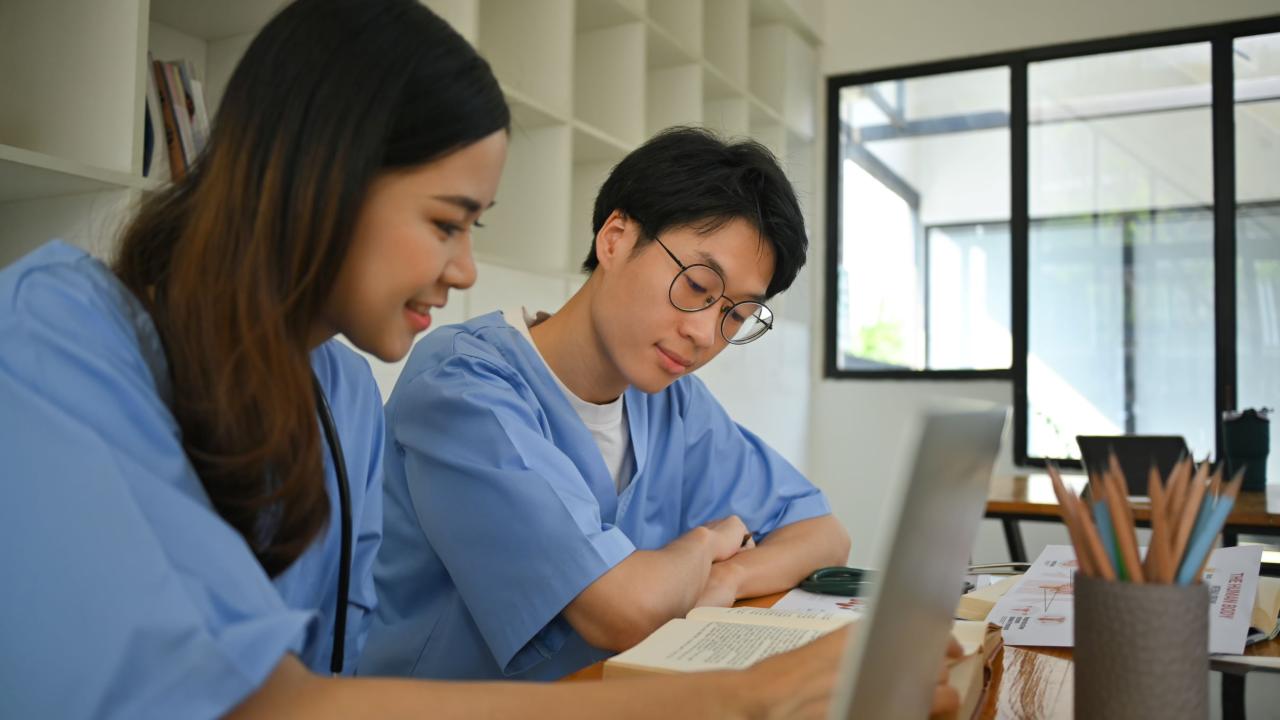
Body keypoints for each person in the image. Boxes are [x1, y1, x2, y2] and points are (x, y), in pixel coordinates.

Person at [0, 1, 961, 717]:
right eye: (445, 223)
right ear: (319, 173)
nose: (463, 269)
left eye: (737, 312)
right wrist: (743, 691)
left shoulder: (334, 383)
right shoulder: (62, 333)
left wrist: (711, 586)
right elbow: (271, 702)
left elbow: (336, 663)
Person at [363, 127, 852, 682]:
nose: (703, 334)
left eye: (736, 315)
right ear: (615, 238)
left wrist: (728, 580)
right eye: (696, 285)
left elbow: (822, 534)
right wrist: (708, 542)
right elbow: (622, 611)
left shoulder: (672, 404)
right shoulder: (464, 385)